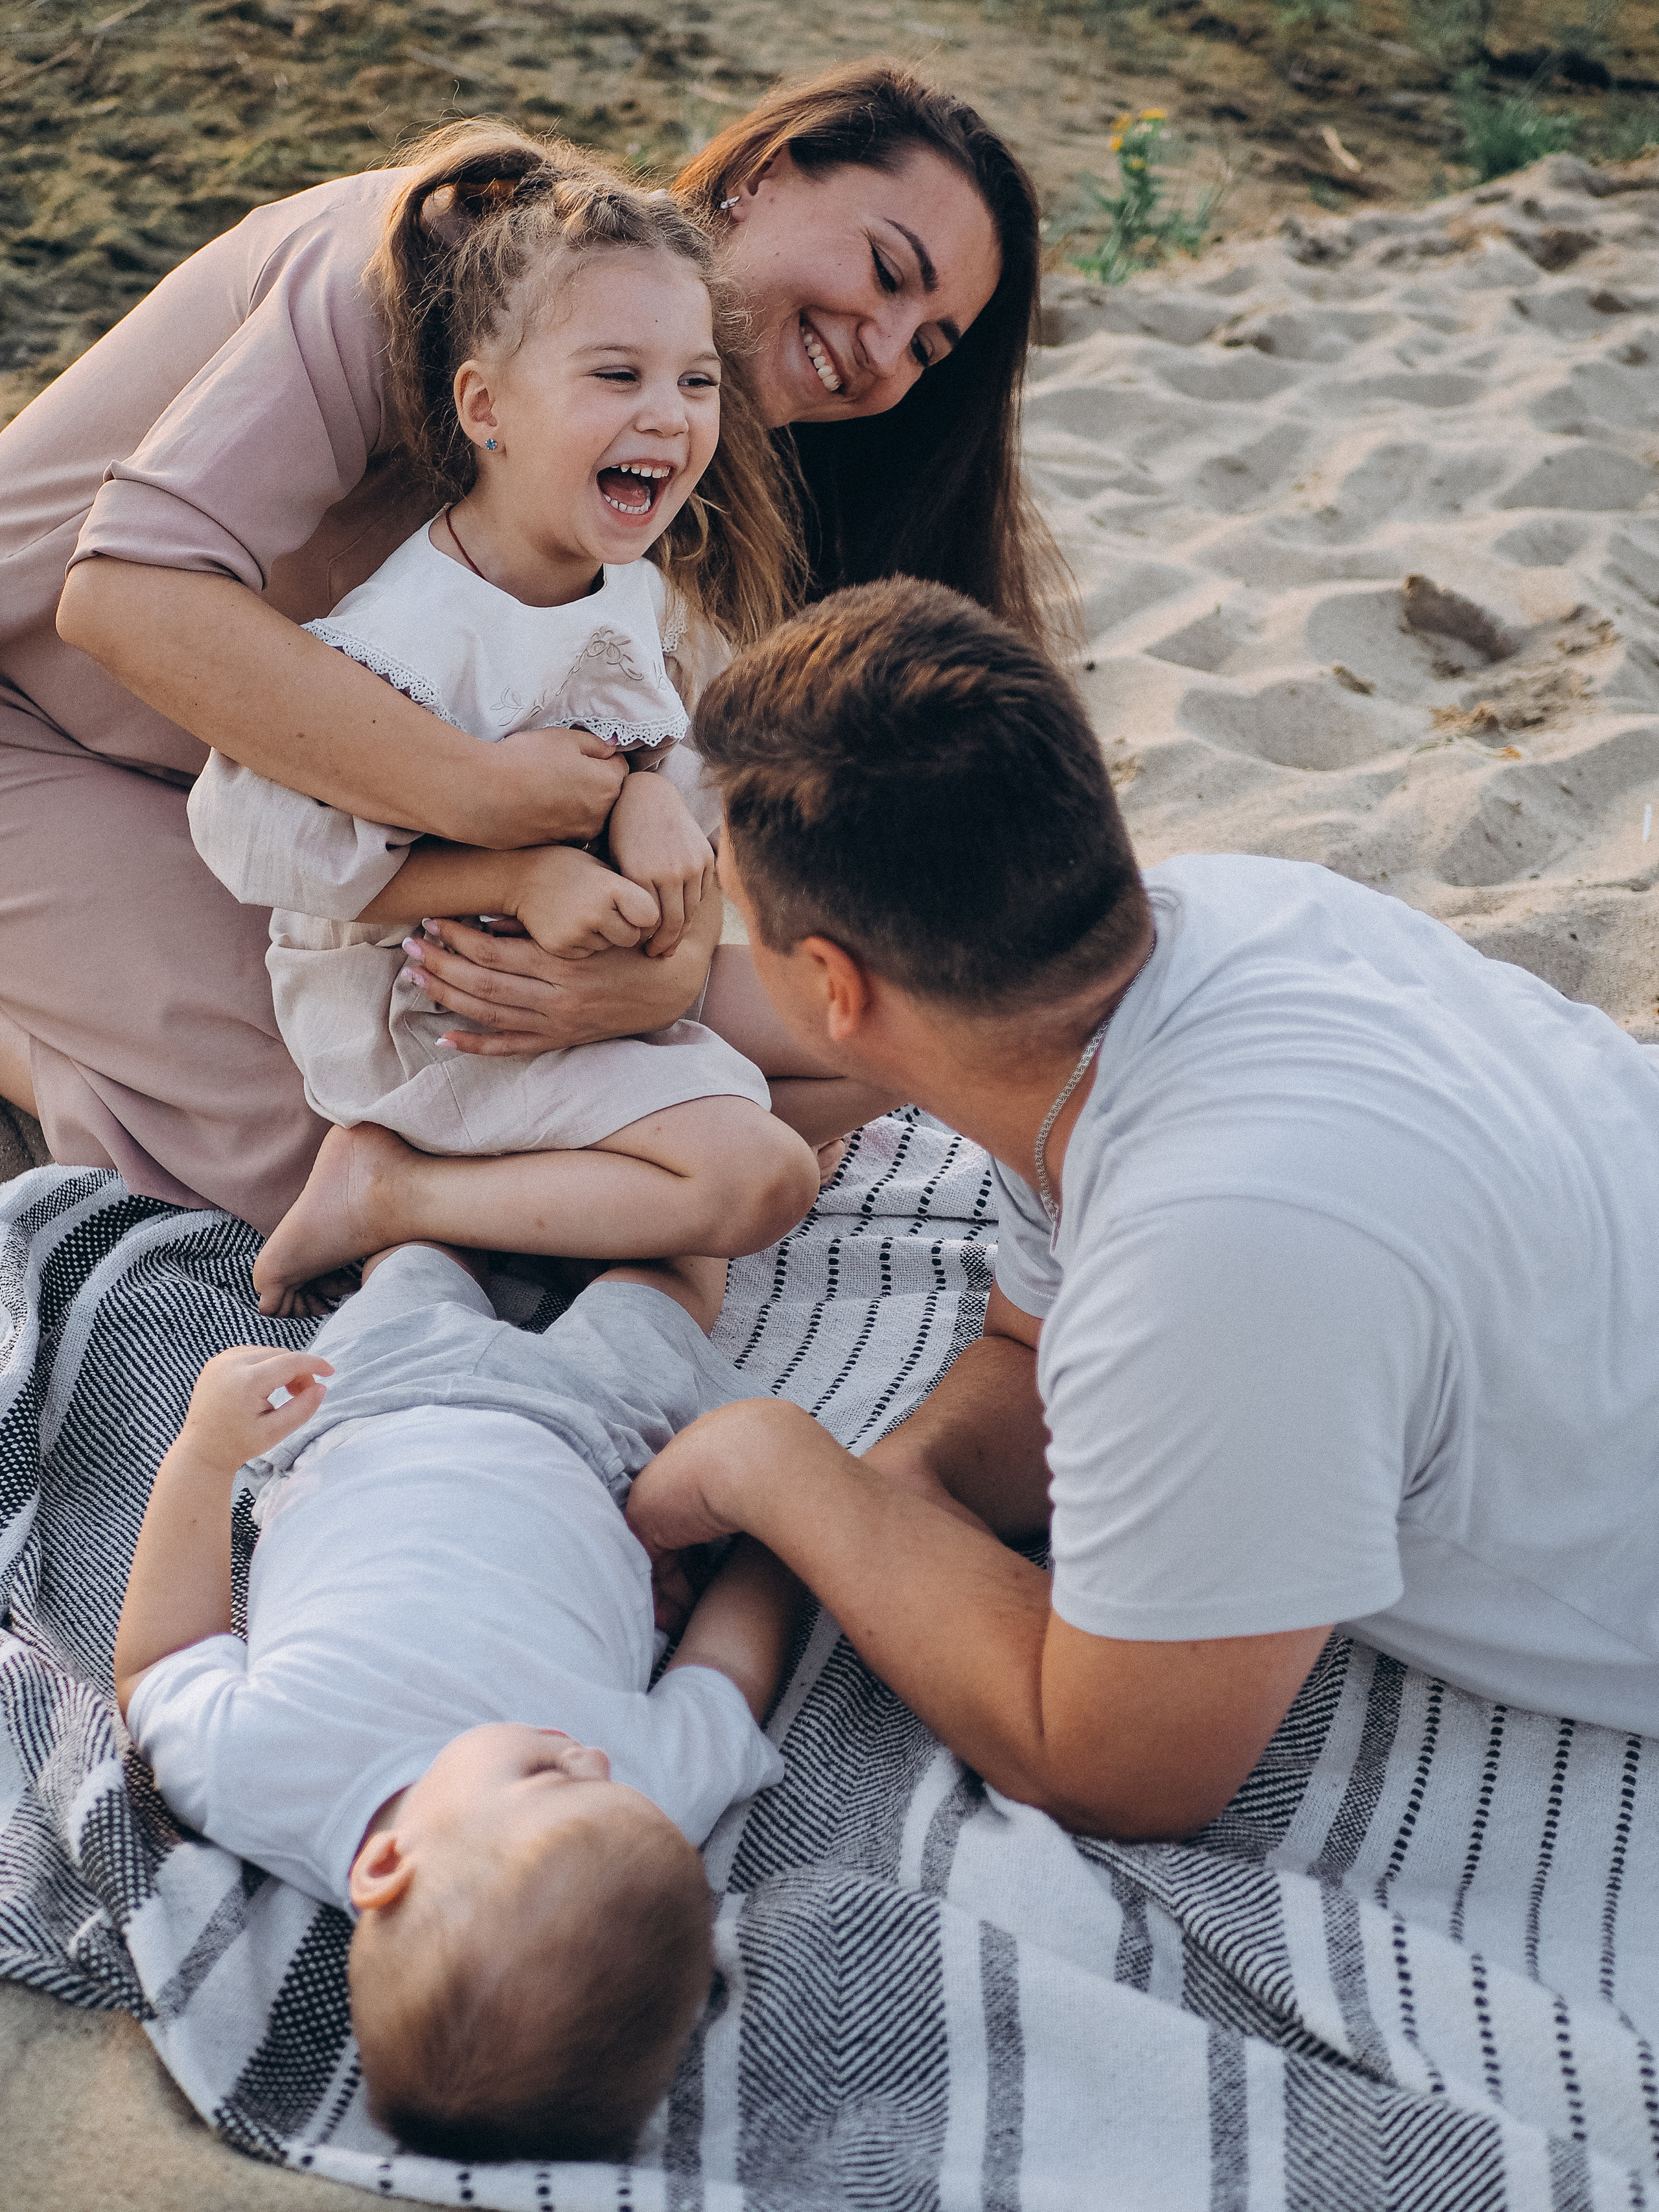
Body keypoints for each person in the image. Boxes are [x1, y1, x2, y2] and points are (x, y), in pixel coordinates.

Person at [624, 577, 1659, 1841]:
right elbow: (1029, 1355)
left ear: (833, 987)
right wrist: (900, 1496)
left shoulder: (1213, 1252)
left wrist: (779, 1471)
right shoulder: (1191, 938)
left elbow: (1120, 1768)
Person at [0, 61, 1058, 1231]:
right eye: (887, 271)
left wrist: (657, 961)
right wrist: (484, 795)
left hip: (285, 799)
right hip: (33, 716)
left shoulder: (674, 445)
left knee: (624, 1060)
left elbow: (630, 755)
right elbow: (126, 594)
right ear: (763, 175)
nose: (885, 347)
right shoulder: (409, 263)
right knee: (308, 1134)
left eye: (930, 347)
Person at [186, 153, 818, 1315]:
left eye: (695, 381)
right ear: (487, 408)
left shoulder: (627, 582)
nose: (667, 418)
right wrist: (518, 874)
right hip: (433, 1021)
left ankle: (564, 1222)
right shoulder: (409, 634)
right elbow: (259, 848)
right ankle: (392, 1193)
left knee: (872, 1030)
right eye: (617, 374)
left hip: (584, 981)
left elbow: (653, 740)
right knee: (760, 1180)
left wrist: (644, 801)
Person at [113, 1241, 800, 2161]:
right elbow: (730, 1659)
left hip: (357, 1404)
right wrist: (789, 1522)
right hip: (599, 1435)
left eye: (554, 1780)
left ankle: (436, 1195)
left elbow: (161, 1658)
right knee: (667, 1281)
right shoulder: (637, 1820)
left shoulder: (259, 1768)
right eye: (615, 1785)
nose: (591, 1758)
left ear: (387, 1862)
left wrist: (202, 1453)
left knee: (419, 1255)